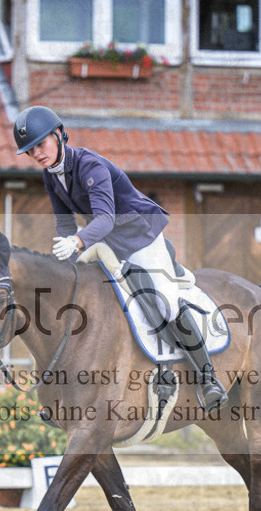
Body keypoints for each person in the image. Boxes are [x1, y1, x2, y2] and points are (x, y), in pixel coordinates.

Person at [12, 105, 228, 410]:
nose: (37, 154)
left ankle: (208, 380)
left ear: (59, 134)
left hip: (140, 235)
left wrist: (76, 241)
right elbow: (64, 221)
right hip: (105, 240)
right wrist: (61, 258)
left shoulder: (91, 167)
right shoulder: (51, 175)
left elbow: (105, 218)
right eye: (30, 151)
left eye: (41, 145)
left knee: (165, 302)